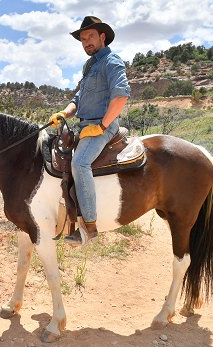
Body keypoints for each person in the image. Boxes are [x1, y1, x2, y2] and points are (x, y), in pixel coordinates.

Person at [50, 16, 131, 245]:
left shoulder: (111, 62)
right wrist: (64, 113)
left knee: (79, 163)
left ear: (102, 37)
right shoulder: (90, 65)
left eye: (90, 37)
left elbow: (121, 96)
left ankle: (89, 228)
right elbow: (78, 98)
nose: (86, 42)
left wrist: (101, 126)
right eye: (83, 39)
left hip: (102, 126)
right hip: (85, 125)